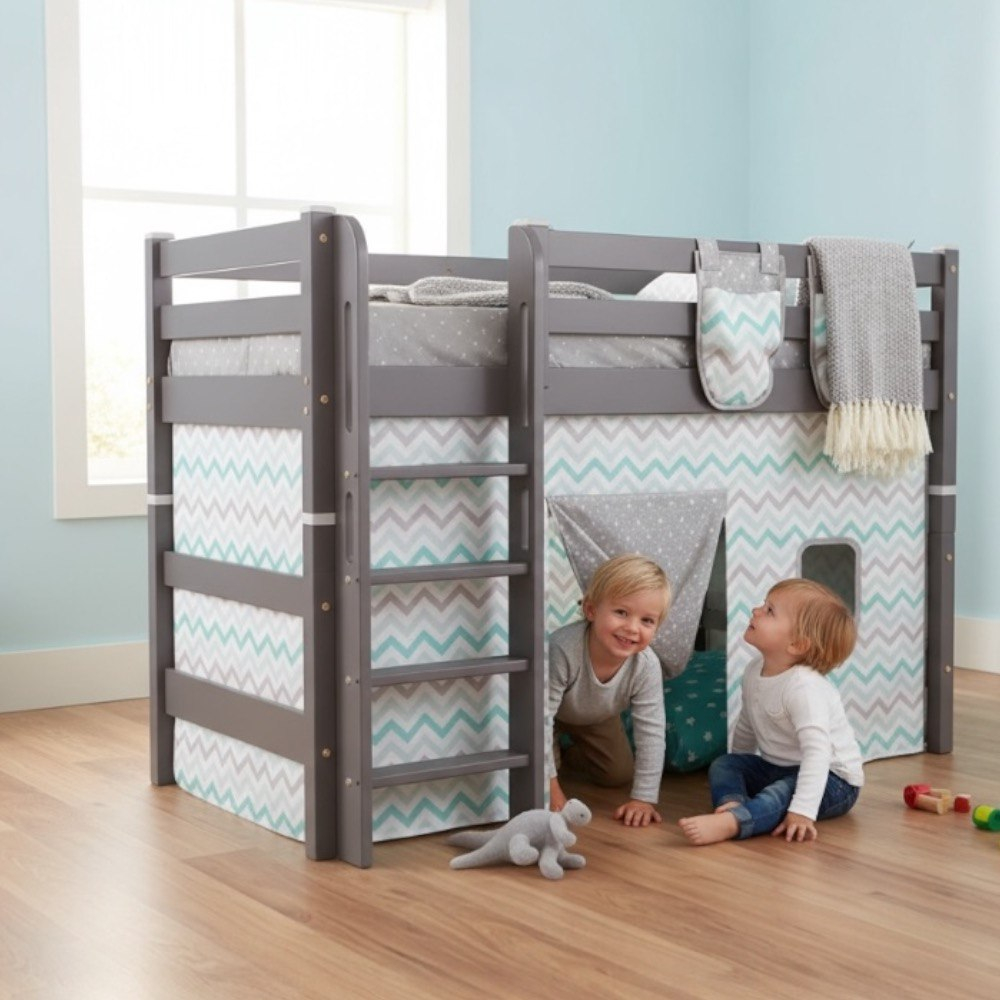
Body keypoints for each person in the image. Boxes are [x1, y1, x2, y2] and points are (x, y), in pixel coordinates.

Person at [679, 578, 864, 846]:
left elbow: (817, 754)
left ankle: (735, 823)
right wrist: (741, 765)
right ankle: (733, 805)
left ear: (797, 644)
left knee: (782, 793)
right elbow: (747, 724)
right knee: (725, 764)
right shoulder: (754, 670)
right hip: (779, 767)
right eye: (763, 605)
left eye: (769, 611)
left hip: (832, 779)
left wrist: (802, 811)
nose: (756, 610)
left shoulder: (804, 688)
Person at [546, 554, 672, 828]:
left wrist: (643, 798)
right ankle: (554, 760)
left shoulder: (646, 665)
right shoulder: (563, 649)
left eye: (647, 620)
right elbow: (538, 721)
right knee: (539, 770)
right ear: (591, 610)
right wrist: (552, 790)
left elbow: (652, 731)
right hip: (550, 717)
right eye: (621, 613)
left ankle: (570, 753)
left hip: (598, 717)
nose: (632, 628)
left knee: (618, 774)